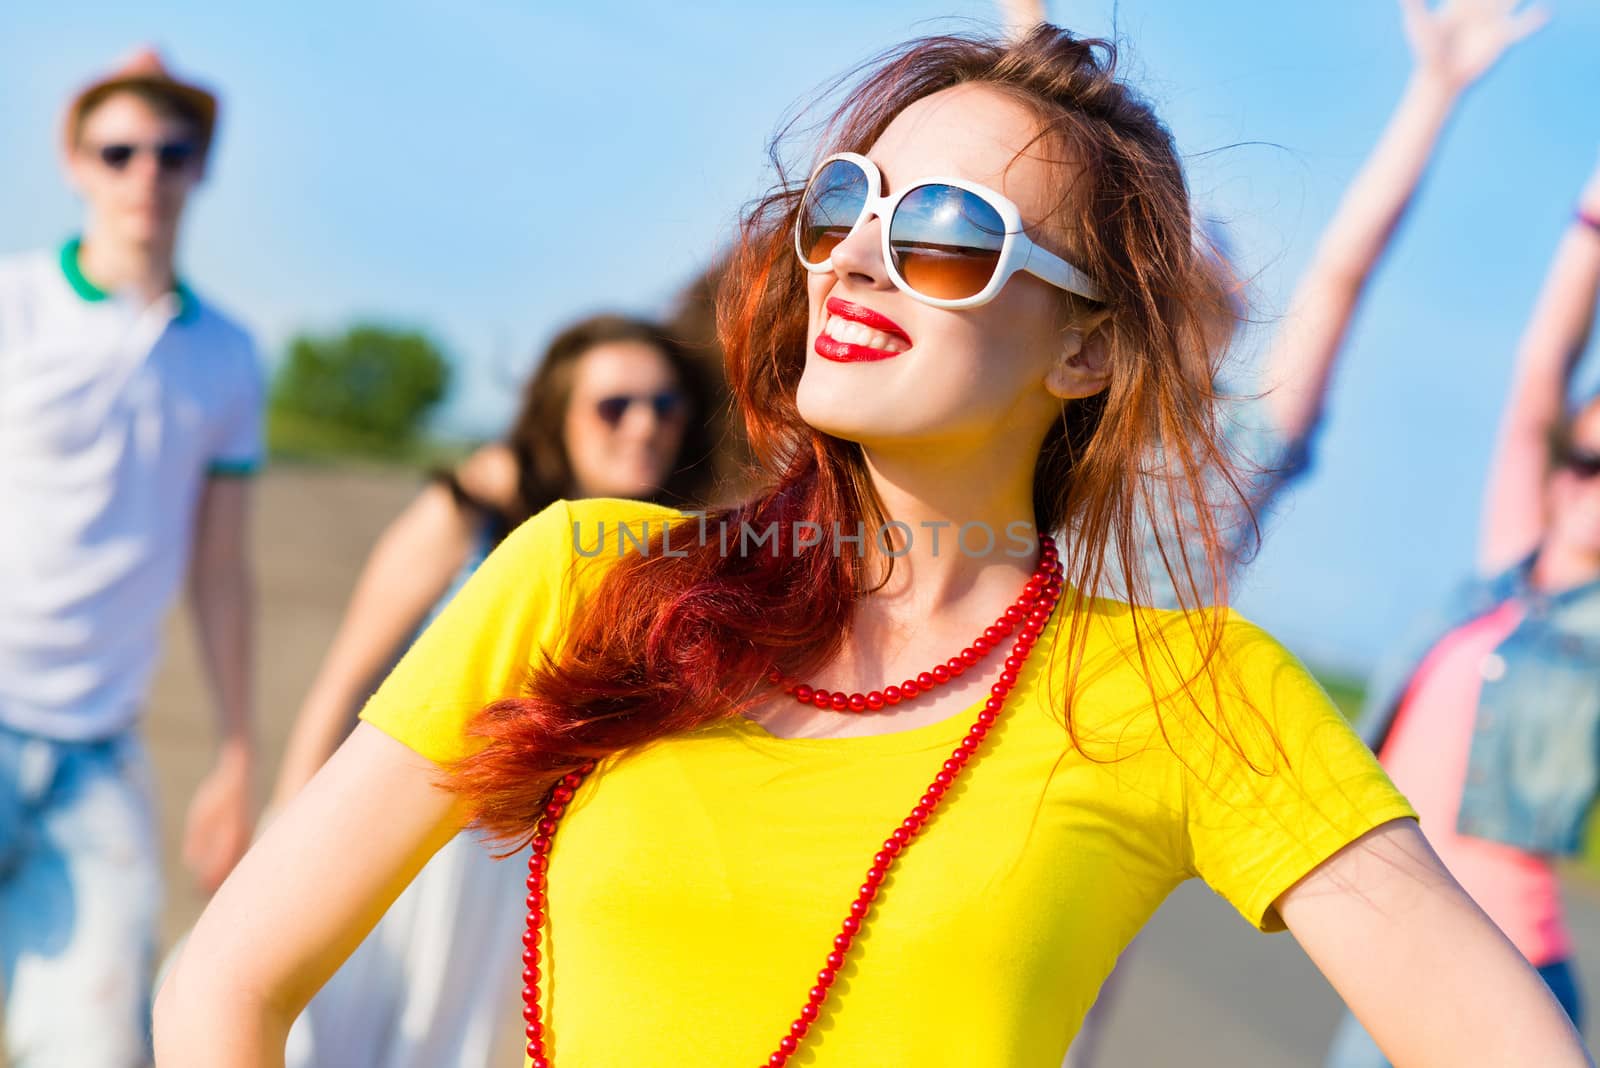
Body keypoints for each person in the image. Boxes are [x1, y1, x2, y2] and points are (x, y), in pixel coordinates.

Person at [155, 26, 1590, 1067]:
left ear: (1087, 348)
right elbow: (223, 989)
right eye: (847, 202)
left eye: (949, 235)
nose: (851, 256)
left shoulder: (1188, 694)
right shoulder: (584, 575)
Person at [269, 314, 719, 1068]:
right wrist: (283, 840)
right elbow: (343, 679)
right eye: (614, 406)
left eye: (665, 405)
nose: (645, 425)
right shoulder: (470, 513)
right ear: (559, 415)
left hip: (531, 862)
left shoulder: (682, 554)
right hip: (402, 827)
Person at [0, 48, 262, 1066]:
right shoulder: (14, 303)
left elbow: (222, 566)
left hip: (101, 751)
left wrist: (238, 751)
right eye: (117, 150)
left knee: (104, 1044)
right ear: (75, 163)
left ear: (201, 167)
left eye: (171, 150)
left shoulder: (227, 354)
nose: (144, 173)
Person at [1324, 155, 1600, 1067]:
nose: (1589, 486)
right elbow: (1542, 366)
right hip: (1398, 954)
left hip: (1508, 979)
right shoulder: (1504, 573)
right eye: (1585, 459)